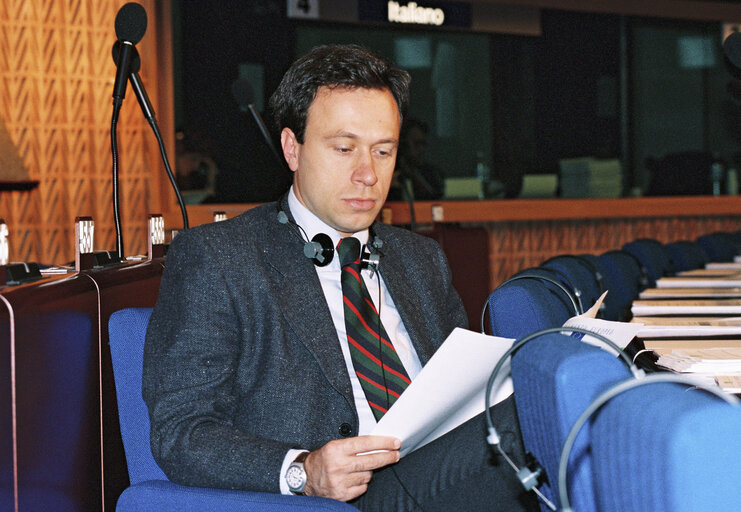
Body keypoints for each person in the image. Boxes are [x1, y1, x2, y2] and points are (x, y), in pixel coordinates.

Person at [143, 44, 537, 511]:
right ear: (293, 148)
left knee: (540, 396)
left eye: (383, 151)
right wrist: (303, 470)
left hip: (442, 474)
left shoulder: (420, 259)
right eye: (344, 148)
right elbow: (181, 432)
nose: (368, 174)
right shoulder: (220, 259)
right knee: (537, 419)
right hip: (345, 499)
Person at [389, 118, 444, 201]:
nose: (421, 149)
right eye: (416, 144)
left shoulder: (431, 174)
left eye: (423, 144)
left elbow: (436, 199)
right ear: (403, 145)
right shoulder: (390, 174)